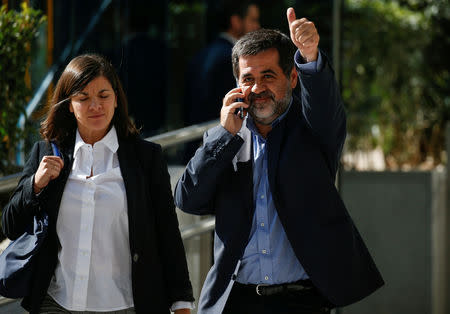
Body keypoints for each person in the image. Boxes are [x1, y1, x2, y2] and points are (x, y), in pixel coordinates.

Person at [174, 7, 384, 314]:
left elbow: (325, 106)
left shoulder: (313, 130)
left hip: (302, 301)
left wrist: (311, 56)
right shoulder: (226, 136)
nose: (258, 88)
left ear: (293, 77)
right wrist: (223, 137)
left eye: (268, 76)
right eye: (248, 78)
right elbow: (188, 199)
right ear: (236, 83)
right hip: (236, 301)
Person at [2, 54, 194, 314]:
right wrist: (35, 185)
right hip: (55, 303)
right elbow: (10, 226)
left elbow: (168, 234)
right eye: (83, 98)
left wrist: (181, 303)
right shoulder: (46, 152)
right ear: (69, 105)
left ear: (116, 99)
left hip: (126, 305)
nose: (95, 106)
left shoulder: (146, 158)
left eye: (103, 96)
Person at [182, 0, 260, 162]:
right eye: (252, 20)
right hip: (219, 152)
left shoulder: (201, 55)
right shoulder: (236, 59)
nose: (257, 27)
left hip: (194, 149)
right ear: (236, 22)